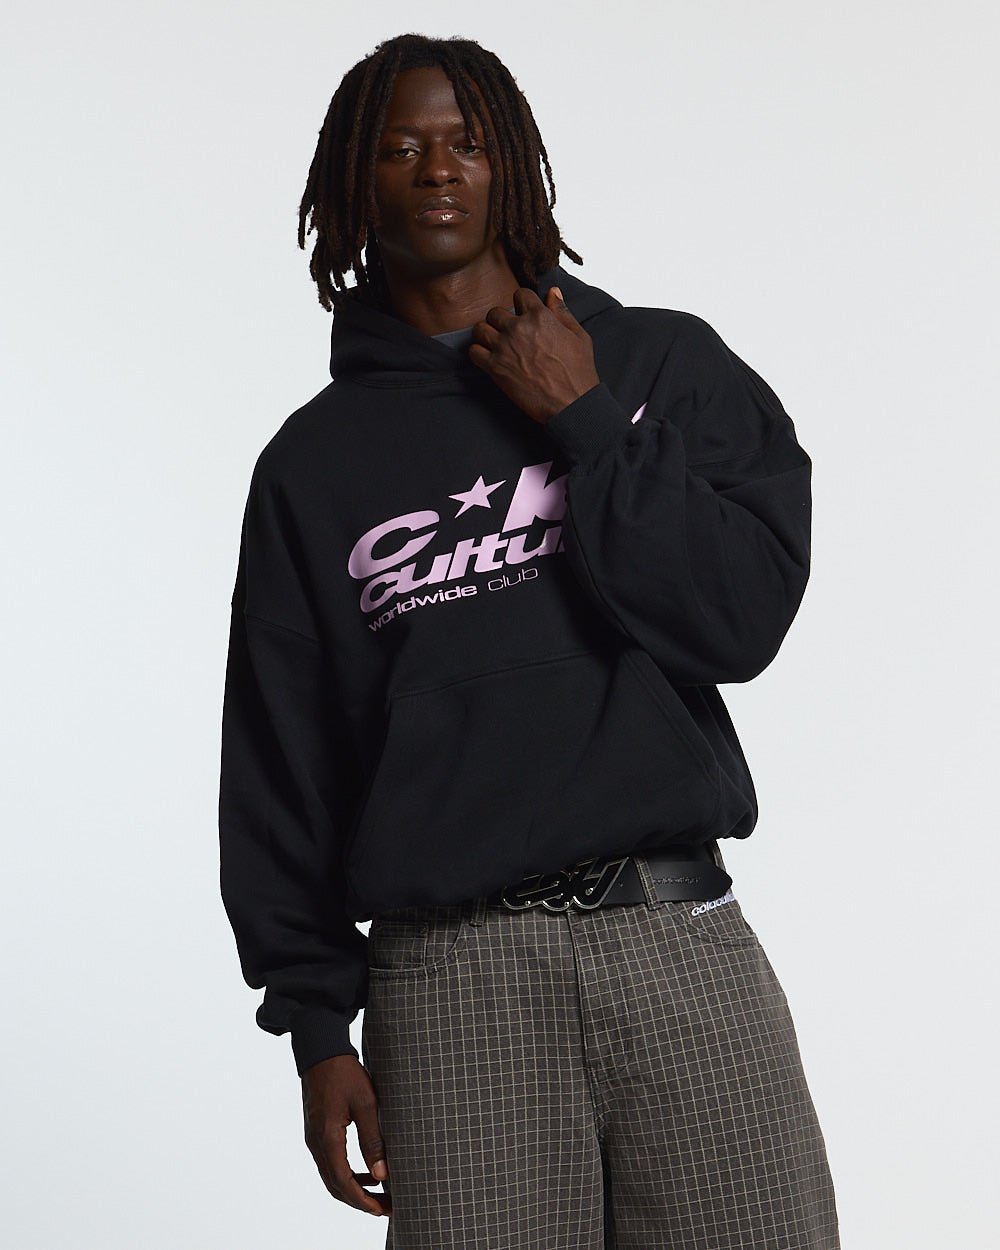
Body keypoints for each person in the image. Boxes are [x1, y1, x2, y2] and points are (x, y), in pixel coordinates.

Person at [217, 31, 841, 1250]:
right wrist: (316, 1026)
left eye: (466, 141)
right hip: (454, 979)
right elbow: (281, 758)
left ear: (512, 164)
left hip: (677, 933)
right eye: (400, 147)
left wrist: (588, 419)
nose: (436, 168)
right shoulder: (314, 465)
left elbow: (741, 616)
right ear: (354, 184)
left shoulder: (658, 363)